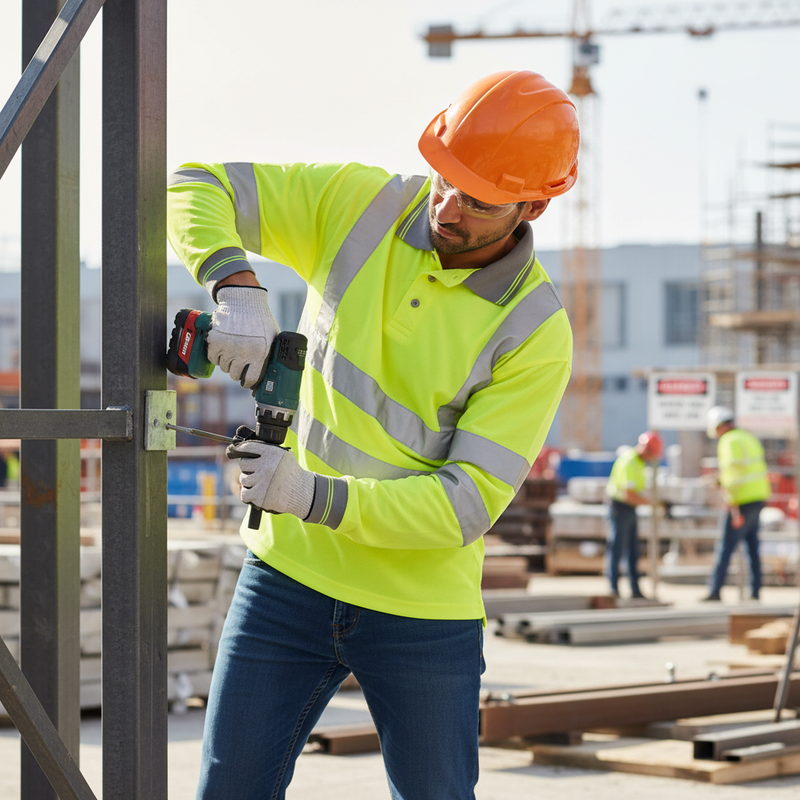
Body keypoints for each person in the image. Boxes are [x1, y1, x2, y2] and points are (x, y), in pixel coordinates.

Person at [167, 69, 579, 800]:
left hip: (423, 613)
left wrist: (312, 494)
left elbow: (464, 505)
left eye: (477, 201)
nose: (446, 208)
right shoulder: (364, 205)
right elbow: (195, 183)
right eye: (443, 179)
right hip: (285, 581)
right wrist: (234, 281)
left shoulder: (535, 331)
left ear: (533, 204)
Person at [703, 405, 771, 602]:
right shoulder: (748, 437)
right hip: (757, 498)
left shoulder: (729, 441)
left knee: (725, 547)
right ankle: (755, 591)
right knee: (752, 548)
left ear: (719, 426)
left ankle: (715, 590)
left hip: (740, 501)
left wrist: (732, 504)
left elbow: (734, 474)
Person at [604, 431, 664, 600]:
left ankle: (635, 589)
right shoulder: (629, 461)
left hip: (630, 509)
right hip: (619, 507)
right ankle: (613, 588)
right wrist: (650, 503)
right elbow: (628, 495)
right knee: (617, 547)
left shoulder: (639, 463)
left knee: (633, 550)